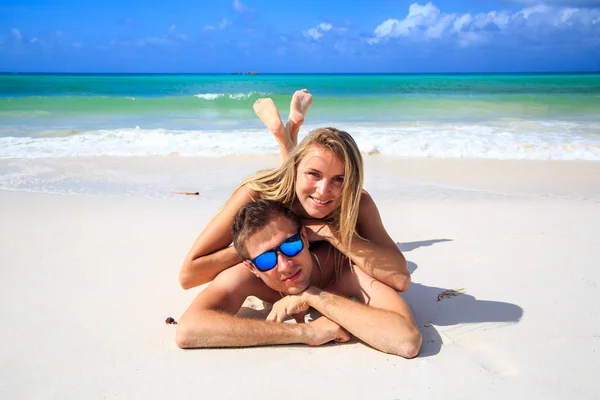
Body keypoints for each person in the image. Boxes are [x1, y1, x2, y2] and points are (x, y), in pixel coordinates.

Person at [179, 90, 410, 293]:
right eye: (314, 174)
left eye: (339, 179)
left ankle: (289, 131)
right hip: (282, 187)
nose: (324, 190)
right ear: (297, 167)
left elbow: (400, 278)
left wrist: (327, 232)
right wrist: (266, 248)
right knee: (284, 190)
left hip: (292, 183)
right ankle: (283, 135)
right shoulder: (257, 193)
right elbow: (189, 275)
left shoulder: (356, 201)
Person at [176, 200, 422, 358]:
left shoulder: (342, 267)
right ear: (251, 267)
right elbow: (188, 330)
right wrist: (306, 332)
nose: (285, 264)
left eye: (291, 244)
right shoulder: (246, 278)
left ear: (305, 237)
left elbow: (406, 340)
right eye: (265, 260)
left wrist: (313, 295)